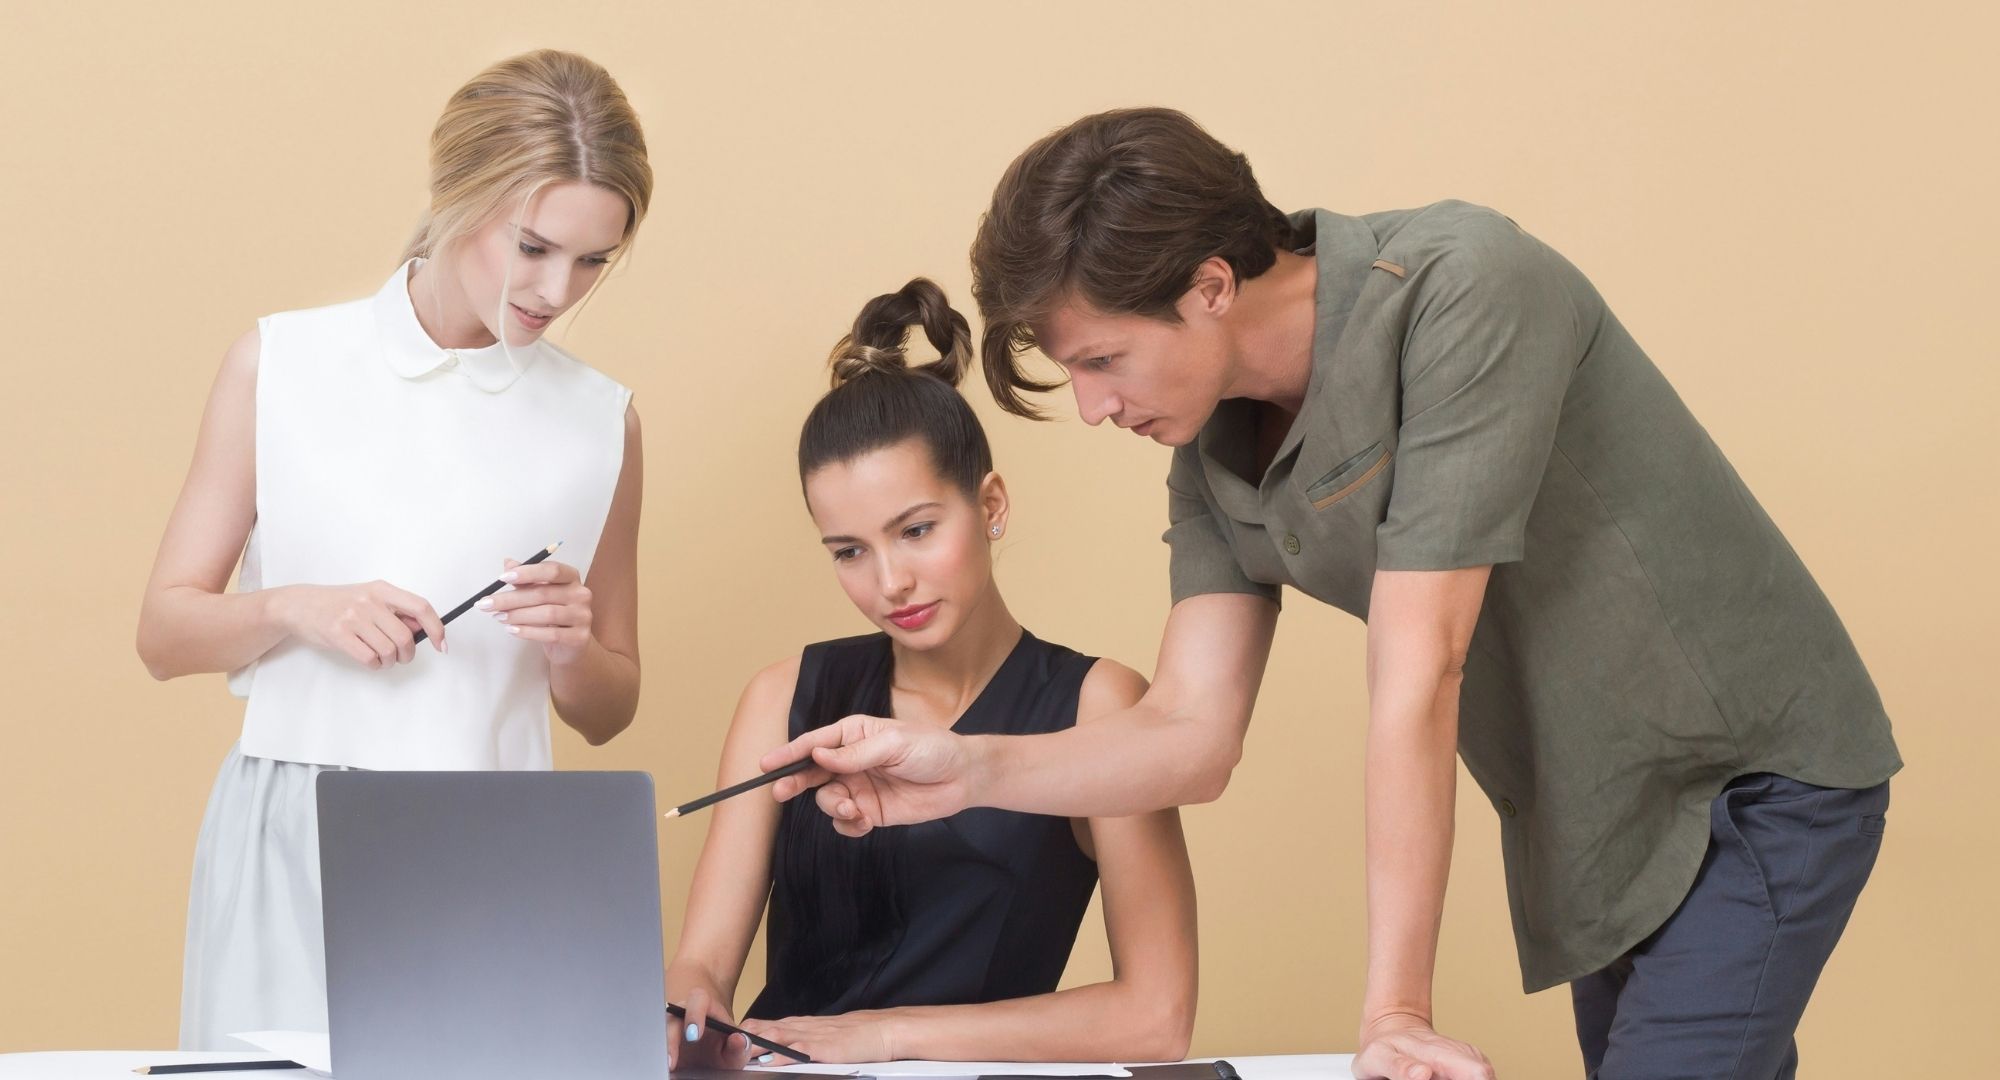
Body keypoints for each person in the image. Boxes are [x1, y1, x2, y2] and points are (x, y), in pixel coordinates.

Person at [763, 109, 1900, 1080]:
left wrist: (1392, 1012)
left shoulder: (1463, 290)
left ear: (1209, 286)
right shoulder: (1209, 448)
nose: (1093, 408)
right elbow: (1188, 735)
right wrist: (961, 771)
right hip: (1586, 823)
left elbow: (1421, 671)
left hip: (1744, 780)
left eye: (1101, 361)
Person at [135, 49, 653, 1048]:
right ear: (460, 197)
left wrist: (569, 644)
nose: (559, 289)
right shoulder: (281, 363)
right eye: (535, 246)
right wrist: (296, 607)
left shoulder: (602, 422)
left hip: (497, 845)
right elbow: (163, 634)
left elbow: (608, 709)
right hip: (292, 827)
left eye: (594, 260)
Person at [668, 279, 1197, 1069]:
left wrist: (882, 1037)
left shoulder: (1099, 707)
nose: (890, 583)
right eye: (848, 551)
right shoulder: (783, 698)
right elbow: (702, 966)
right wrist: (688, 1008)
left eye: (915, 530)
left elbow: (1156, 1017)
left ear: (990, 505)